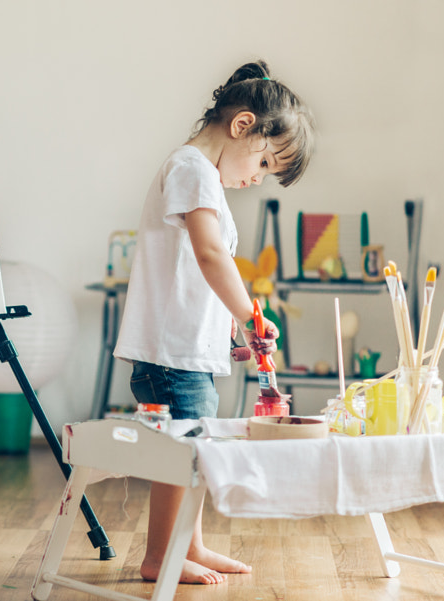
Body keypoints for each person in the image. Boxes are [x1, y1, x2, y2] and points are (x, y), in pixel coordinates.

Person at [113, 60, 315, 585]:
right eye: (265, 163)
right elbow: (208, 255)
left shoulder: (204, 180)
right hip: (169, 355)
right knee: (181, 450)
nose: (257, 178)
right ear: (243, 125)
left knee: (196, 450)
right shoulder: (191, 168)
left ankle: (190, 544)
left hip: (187, 352)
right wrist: (248, 312)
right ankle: (161, 554)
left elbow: (197, 271)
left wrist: (231, 329)